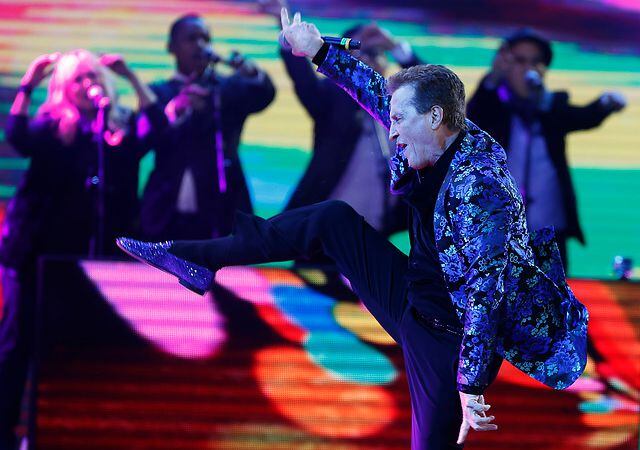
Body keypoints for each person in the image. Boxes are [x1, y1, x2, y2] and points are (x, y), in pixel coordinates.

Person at [117, 10, 588, 449]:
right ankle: (198, 258)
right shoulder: (430, 134)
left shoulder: (481, 186)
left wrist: (471, 383)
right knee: (332, 219)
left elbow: (488, 291)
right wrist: (317, 49)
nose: (392, 131)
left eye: (399, 120)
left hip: (448, 338)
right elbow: (373, 91)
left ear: (435, 118)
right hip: (410, 296)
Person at [0, 49, 161, 449]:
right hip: (38, 253)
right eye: (78, 79)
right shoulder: (53, 125)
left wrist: (131, 77)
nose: (88, 84)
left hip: (94, 257)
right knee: (19, 342)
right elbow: (18, 137)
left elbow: (156, 128)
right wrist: (29, 84)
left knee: (82, 348)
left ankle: (64, 430)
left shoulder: (118, 130)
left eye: (93, 76)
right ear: (65, 88)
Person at [260, 0, 421, 242]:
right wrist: (290, 38)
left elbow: (436, 92)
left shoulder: (401, 108)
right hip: (325, 239)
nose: (367, 61)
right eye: (359, 54)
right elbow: (304, 81)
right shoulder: (332, 100)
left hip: (378, 236)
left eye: (375, 53)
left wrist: (396, 47)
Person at [466, 28, 626, 268]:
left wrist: (606, 103)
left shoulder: (550, 108)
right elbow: (474, 115)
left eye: (535, 62)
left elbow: (582, 117)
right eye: (519, 61)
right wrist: (493, 77)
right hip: (500, 232)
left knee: (553, 289)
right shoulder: (493, 107)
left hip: (549, 230)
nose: (528, 69)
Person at [140, 13, 276, 242]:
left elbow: (263, 95)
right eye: (191, 39)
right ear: (171, 47)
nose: (200, 45)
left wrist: (250, 71)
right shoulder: (158, 92)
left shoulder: (227, 87)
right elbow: (147, 138)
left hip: (224, 202)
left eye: (205, 38)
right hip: (166, 207)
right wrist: (177, 109)